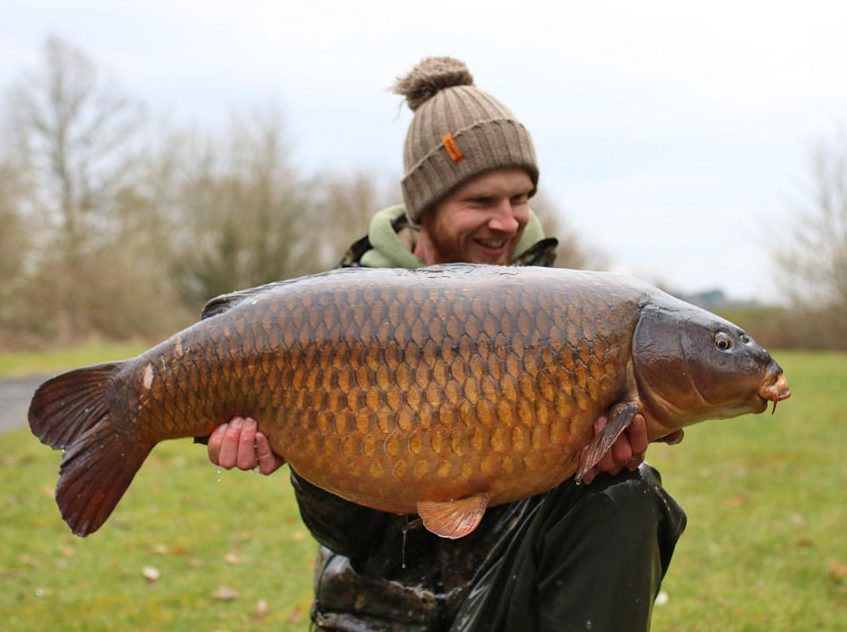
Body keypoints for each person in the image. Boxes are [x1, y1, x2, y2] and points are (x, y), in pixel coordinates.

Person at [205, 57, 687, 631]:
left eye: (520, 198)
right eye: (480, 202)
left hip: (517, 586)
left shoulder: (569, 313)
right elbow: (347, 536)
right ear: (423, 209)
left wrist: (597, 464)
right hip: (383, 600)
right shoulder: (339, 313)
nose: (507, 223)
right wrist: (295, 454)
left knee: (626, 495)